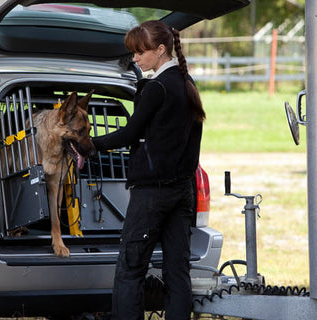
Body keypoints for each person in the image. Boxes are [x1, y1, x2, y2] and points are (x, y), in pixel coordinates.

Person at [91, 20, 205, 320]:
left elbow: (129, 134)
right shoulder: (187, 84)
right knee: (177, 272)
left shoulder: (157, 88)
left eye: (140, 52)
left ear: (161, 50)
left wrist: (90, 145)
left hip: (152, 194)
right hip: (182, 191)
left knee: (131, 268)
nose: (135, 59)